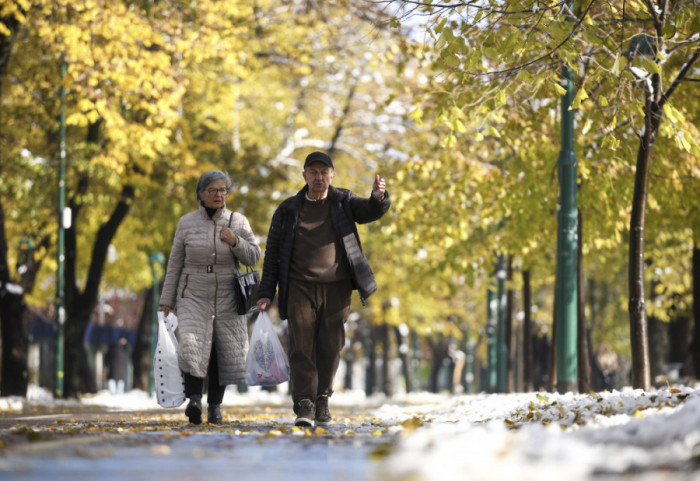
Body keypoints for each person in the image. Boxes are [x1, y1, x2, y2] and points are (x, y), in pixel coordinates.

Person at [256, 151, 390, 427]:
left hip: (337, 288)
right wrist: (266, 291)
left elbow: (368, 211)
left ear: (332, 175)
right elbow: (273, 254)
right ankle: (304, 402)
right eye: (313, 172)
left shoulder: (343, 201)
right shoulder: (288, 209)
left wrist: (378, 197)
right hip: (299, 287)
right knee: (301, 345)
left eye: (324, 172)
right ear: (304, 176)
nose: (319, 177)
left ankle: (322, 400)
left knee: (331, 346)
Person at [159, 170, 261, 425]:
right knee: (191, 345)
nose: (219, 195)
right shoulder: (186, 223)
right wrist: (166, 300)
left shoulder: (238, 221)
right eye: (213, 190)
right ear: (201, 194)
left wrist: (235, 240)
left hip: (228, 293)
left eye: (223, 190)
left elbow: (254, 257)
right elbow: (174, 264)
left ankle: (214, 406)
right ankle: (194, 399)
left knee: (222, 351)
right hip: (193, 292)